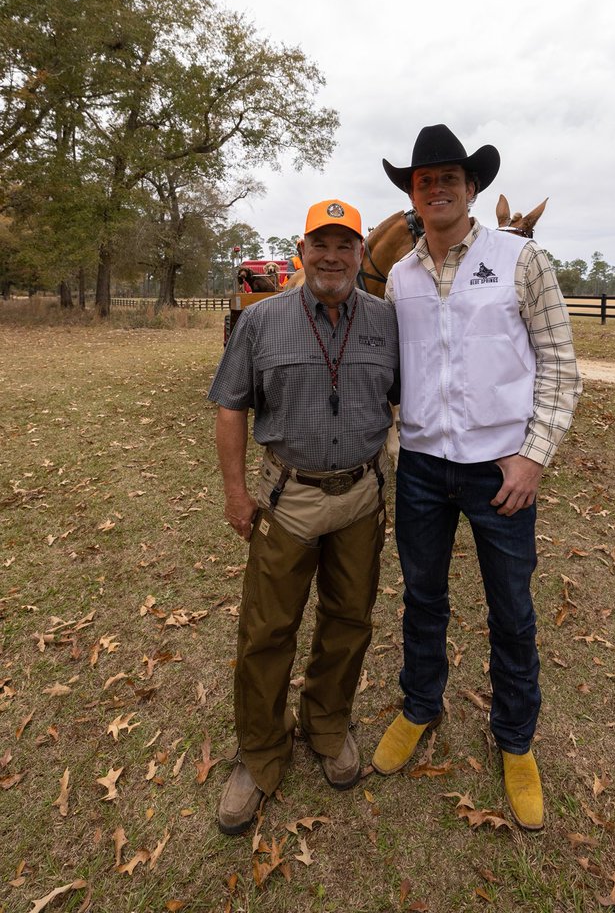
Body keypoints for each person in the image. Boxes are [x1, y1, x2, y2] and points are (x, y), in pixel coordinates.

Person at [371, 125, 581, 830]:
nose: (437, 189)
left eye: (449, 179)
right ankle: (419, 707)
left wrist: (534, 455)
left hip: (500, 471)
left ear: (472, 188)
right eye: (424, 180)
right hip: (422, 468)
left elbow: (559, 363)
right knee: (422, 599)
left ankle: (515, 741)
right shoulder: (399, 278)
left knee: (512, 611)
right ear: (412, 193)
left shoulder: (521, 260)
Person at [208, 198, 399, 835]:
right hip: (289, 499)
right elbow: (230, 405)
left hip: (362, 498)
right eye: (322, 243)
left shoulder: (386, 321)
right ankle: (261, 752)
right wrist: (236, 494)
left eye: (345, 245)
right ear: (302, 249)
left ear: (360, 252)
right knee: (267, 630)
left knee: (349, 620)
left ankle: (328, 725)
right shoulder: (262, 320)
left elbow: (414, 396)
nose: (333, 257)